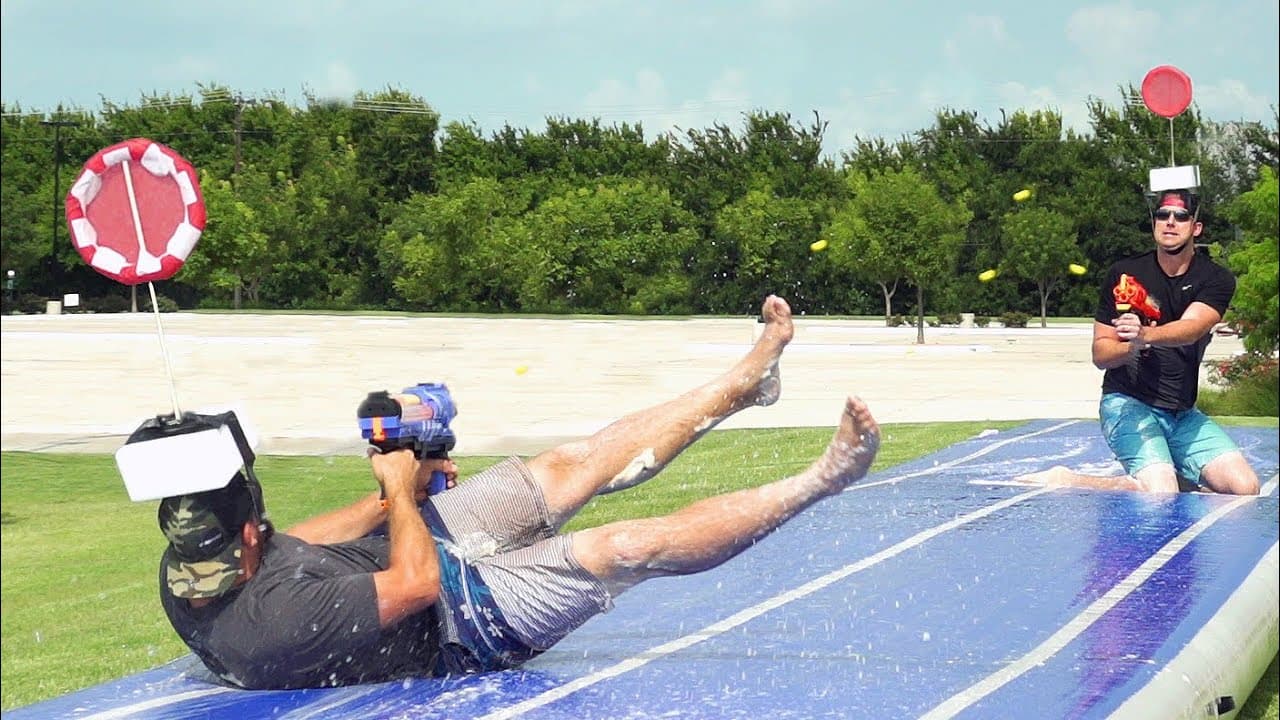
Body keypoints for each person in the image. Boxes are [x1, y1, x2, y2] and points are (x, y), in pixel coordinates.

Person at [157, 295, 883, 690]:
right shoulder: (268, 627)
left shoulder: (185, 563)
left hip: (413, 541)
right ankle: (824, 479)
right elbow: (414, 584)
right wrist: (404, 498)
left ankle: (745, 382)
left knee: (573, 464)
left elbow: (303, 539)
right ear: (244, 534)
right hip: (459, 622)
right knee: (626, 547)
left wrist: (389, 497)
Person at [1017, 188, 1259, 495]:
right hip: (1128, 403)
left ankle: (1168, 474)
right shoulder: (1124, 275)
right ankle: (1067, 479)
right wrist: (1132, 346)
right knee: (1160, 490)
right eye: (1162, 215)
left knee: (1244, 487)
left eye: (1181, 216)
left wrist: (1146, 334)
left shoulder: (1215, 279)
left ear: (1196, 228)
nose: (1170, 222)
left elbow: (1193, 327)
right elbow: (1101, 352)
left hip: (1181, 413)